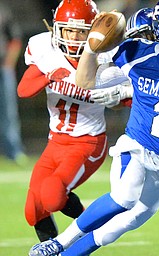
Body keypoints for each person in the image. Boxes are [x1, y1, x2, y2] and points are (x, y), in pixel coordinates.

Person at [28, 0, 159, 255]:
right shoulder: (139, 54)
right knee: (125, 196)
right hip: (136, 147)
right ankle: (58, 243)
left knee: (126, 222)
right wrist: (90, 50)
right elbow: (86, 81)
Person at [17, 0, 110, 242]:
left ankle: (90, 228)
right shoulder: (46, 51)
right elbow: (24, 90)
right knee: (33, 211)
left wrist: (121, 94)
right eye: (68, 30)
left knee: (53, 196)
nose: (74, 37)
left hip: (87, 143)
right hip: (56, 142)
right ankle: (51, 249)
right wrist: (48, 76)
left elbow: (131, 98)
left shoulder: (106, 60)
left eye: (81, 31)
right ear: (56, 29)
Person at [0, 2, 27, 164]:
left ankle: (14, 151)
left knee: (8, 112)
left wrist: (8, 64)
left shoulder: (3, 10)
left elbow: (15, 38)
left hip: (2, 68)